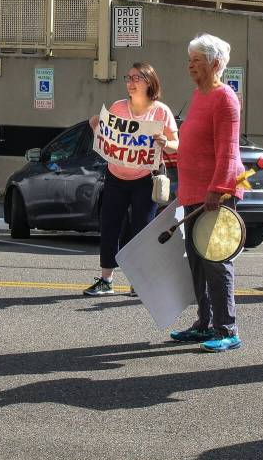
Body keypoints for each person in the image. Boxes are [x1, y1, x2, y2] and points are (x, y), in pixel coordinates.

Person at [167, 34, 245, 353]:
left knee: (216, 261)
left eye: (197, 60)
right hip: (193, 193)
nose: (190, 65)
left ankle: (227, 328)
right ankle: (204, 322)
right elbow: (194, 148)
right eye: (189, 59)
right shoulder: (199, 96)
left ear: (215, 64)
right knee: (198, 262)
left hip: (217, 194)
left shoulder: (225, 98)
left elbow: (227, 151)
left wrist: (217, 190)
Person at [83, 62, 179, 297]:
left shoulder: (160, 111)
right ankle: (106, 280)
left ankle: (139, 281)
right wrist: (95, 126)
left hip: (145, 179)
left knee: (141, 231)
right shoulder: (117, 107)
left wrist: (166, 144)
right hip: (115, 177)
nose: (130, 83)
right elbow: (106, 137)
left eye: (136, 78)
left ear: (149, 81)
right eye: (128, 78)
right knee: (110, 227)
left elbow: (177, 143)